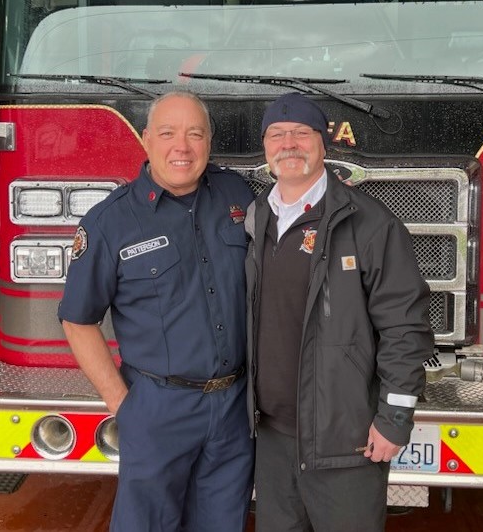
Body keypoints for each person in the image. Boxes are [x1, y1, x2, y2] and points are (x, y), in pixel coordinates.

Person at [59, 92, 254, 532]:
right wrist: (122, 405)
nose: (181, 147)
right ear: (146, 140)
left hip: (233, 407)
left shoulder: (236, 196)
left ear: (209, 142)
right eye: (167, 133)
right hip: (157, 406)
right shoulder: (108, 223)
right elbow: (77, 318)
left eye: (194, 134)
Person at [245, 92, 434, 532]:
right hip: (272, 438)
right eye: (277, 135)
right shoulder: (255, 219)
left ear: (323, 145)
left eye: (301, 134)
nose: (289, 144)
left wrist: (394, 419)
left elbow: (405, 327)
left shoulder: (369, 224)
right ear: (266, 148)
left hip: (346, 440)